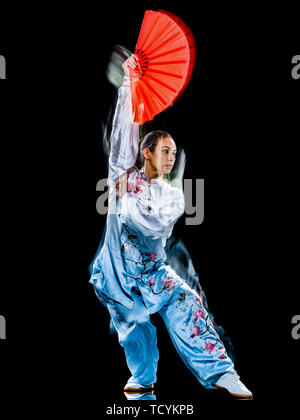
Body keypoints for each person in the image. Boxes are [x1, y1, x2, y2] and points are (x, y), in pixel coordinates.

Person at [89, 54, 253, 399]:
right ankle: (142, 378)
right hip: (117, 271)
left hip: (152, 270)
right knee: (134, 326)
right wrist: (129, 86)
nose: (171, 157)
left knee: (186, 301)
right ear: (145, 152)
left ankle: (222, 371)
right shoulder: (121, 173)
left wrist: (128, 202)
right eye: (165, 150)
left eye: (174, 153)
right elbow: (122, 134)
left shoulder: (172, 197)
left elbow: (150, 224)